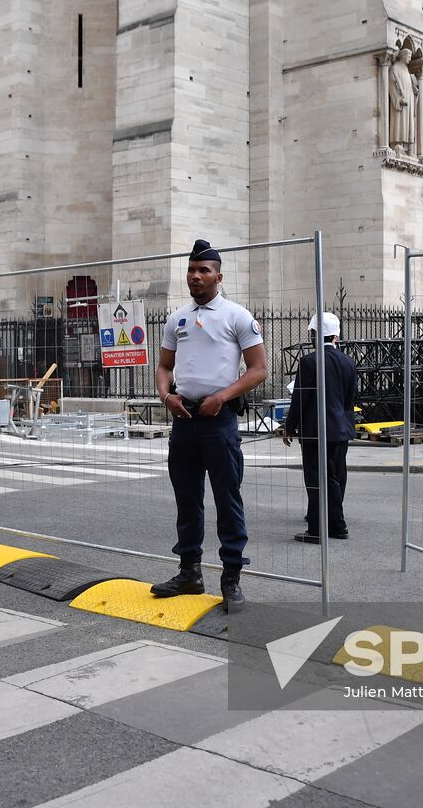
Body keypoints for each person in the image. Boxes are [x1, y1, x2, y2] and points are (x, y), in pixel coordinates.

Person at [151, 240, 269, 612]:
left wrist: (223, 395)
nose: (196, 276)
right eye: (191, 270)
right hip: (184, 421)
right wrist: (165, 396)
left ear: (219, 276)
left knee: (227, 500)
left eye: (204, 270)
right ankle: (189, 573)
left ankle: (231, 577)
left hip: (219, 422)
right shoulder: (177, 319)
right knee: (187, 501)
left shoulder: (237, 316)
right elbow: (165, 367)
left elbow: (259, 369)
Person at [283, 312, 358, 543]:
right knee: (336, 476)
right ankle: (336, 523)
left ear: (315, 335)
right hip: (341, 428)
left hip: (315, 430)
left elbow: (300, 398)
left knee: (316, 479)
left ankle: (319, 529)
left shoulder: (308, 362)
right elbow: (350, 399)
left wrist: (289, 426)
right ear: (336, 336)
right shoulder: (349, 362)